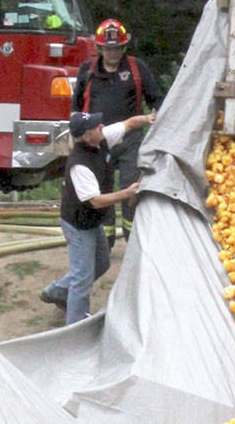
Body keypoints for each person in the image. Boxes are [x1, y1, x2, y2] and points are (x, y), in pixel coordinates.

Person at [42, 110, 152, 323]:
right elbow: (96, 201)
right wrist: (127, 193)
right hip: (78, 225)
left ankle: (57, 291)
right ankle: (75, 326)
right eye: (95, 125)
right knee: (82, 278)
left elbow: (129, 123)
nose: (101, 126)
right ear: (86, 136)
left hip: (92, 221)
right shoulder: (79, 165)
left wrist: (148, 119)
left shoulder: (102, 138)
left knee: (102, 263)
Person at [71, 18, 163, 243]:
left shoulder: (136, 68)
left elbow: (157, 101)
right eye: (108, 49)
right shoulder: (88, 70)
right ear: (100, 48)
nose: (113, 53)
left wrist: (157, 121)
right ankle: (105, 241)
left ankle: (133, 240)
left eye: (117, 48)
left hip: (130, 139)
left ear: (124, 47)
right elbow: (76, 108)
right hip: (98, 141)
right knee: (103, 191)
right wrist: (76, 138)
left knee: (132, 188)